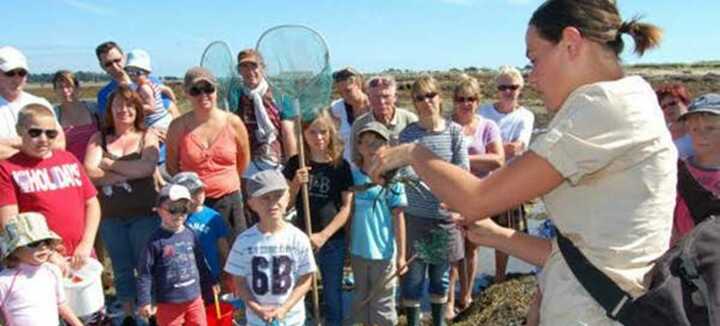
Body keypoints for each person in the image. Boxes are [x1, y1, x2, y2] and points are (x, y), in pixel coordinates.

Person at [368, 1, 675, 324]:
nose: (532, 77)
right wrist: (498, 236)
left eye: (534, 59)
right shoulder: (630, 100)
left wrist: (412, 153)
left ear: (571, 43)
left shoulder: (604, 108)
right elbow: (588, 256)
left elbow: (475, 200)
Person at [83, 86, 161, 322]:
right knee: (121, 266)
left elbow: (147, 167)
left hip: (144, 214)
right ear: (110, 110)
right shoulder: (99, 138)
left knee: (146, 264)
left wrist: (109, 163)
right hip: (111, 216)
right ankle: (128, 312)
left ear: (137, 110)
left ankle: (151, 309)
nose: (123, 110)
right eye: (118, 105)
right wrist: (126, 174)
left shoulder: (148, 135)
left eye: (129, 105)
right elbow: (88, 171)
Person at [397, 75, 469, 326]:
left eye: (431, 95)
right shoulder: (407, 136)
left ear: (439, 98)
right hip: (415, 218)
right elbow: (405, 173)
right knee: (413, 280)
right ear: (414, 103)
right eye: (420, 97)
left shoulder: (454, 132)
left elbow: (461, 172)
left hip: (444, 220)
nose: (427, 101)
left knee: (440, 280)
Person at [0, 103, 100, 272]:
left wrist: (86, 244)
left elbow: (92, 204)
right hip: (37, 262)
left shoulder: (68, 159)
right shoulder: (7, 168)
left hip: (80, 255)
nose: (43, 139)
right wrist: (49, 254)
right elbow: (10, 223)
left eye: (50, 133)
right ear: (19, 130)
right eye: (35, 132)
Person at [282, 109, 353, 326]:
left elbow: (346, 208)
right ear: (303, 134)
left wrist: (324, 235)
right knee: (299, 291)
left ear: (331, 132)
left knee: (332, 293)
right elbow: (286, 204)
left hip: (332, 241)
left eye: (323, 132)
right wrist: (294, 185)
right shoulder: (296, 163)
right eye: (312, 132)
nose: (319, 138)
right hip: (302, 239)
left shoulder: (340, 166)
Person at [224, 169, 317, 326]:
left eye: (278, 196)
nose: (273, 203)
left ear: (287, 197)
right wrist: (256, 308)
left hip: (292, 320)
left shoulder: (298, 238)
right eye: (265, 198)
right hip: (257, 320)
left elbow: (306, 278)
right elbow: (239, 281)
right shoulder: (243, 241)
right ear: (251, 203)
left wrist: (285, 308)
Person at [166, 67, 251, 235]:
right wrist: (192, 192)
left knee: (234, 253)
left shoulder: (234, 122)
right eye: (196, 90)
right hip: (193, 204)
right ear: (187, 93)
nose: (203, 95)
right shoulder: (177, 127)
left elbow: (243, 161)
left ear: (216, 90)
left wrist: (226, 181)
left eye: (208, 88)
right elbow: (172, 166)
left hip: (230, 200)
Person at [448, 75, 505, 318]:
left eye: (470, 99)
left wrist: (464, 159)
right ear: (454, 101)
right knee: (452, 250)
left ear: (478, 101)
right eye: (461, 99)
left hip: (479, 195)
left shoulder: (488, 126)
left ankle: (466, 295)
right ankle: (449, 301)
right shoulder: (447, 126)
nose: (466, 104)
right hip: (451, 195)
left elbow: (498, 159)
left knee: (472, 247)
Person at [477, 65, 534, 283]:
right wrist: (499, 151)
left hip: (510, 182)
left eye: (513, 87)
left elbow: (519, 148)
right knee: (472, 234)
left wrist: (492, 149)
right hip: (480, 180)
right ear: (497, 89)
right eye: (503, 87)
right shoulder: (483, 112)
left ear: (520, 88)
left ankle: (499, 277)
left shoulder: (525, 116)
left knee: (505, 234)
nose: (508, 92)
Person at [347, 122, 407, 326]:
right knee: (361, 301)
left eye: (377, 143)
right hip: (357, 251)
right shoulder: (352, 176)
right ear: (359, 147)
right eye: (367, 143)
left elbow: (399, 218)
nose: (372, 148)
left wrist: (401, 256)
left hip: (383, 253)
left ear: (386, 147)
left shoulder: (393, 180)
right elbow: (348, 213)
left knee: (382, 306)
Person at [136, 184, 219, 326]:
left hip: (194, 297)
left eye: (184, 209)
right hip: (169, 301)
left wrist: (210, 282)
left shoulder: (190, 234)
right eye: (173, 209)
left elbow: (200, 262)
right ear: (159, 210)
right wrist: (145, 300)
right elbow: (145, 273)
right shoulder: (155, 241)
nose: (179, 214)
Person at [0, 212, 82, 326]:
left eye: (47, 242)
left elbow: (60, 304)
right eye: (34, 243)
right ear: (15, 250)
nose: (43, 247)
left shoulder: (52, 271)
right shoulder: (5, 281)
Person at [228, 49, 298, 175]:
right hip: (248, 167)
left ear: (263, 68)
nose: (249, 71)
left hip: (278, 165)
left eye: (254, 66)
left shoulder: (280, 96)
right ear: (239, 71)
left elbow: (288, 134)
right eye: (244, 67)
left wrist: (292, 169)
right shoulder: (235, 98)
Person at [170, 172, 232, 296]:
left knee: (211, 304)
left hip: (211, 274)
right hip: (183, 275)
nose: (198, 196)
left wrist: (227, 269)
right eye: (192, 193)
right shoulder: (174, 219)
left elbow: (223, 245)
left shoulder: (213, 217)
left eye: (200, 190)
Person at [0, 46, 65, 160]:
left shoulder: (40, 103)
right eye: (10, 73)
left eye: (22, 73)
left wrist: (11, 143)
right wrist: (34, 146)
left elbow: (59, 145)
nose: (16, 78)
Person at [671, 93, 720, 244]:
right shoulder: (676, 171)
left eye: (710, 128)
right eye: (695, 128)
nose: (701, 135)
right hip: (683, 257)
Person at [95, 41, 179, 121]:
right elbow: (107, 124)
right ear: (102, 66)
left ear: (124, 57)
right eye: (108, 64)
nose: (115, 66)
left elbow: (171, 107)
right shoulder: (104, 95)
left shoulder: (148, 80)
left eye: (117, 60)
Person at [349, 75, 417, 166]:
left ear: (395, 97)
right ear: (369, 98)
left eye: (386, 96)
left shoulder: (409, 120)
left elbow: (419, 154)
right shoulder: (360, 124)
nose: (381, 101)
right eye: (376, 97)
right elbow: (356, 159)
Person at [52, 70, 99, 162]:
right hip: (70, 167)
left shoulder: (94, 109)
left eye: (69, 86)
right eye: (60, 87)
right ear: (55, 91)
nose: (65, 91)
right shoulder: (54, 115)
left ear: (77, 88)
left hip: (96, 165)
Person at [124, 49, 175, 131]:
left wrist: (135, 105)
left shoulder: (145, 88)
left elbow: (152, 108)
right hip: (158, 119)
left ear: (147, 73)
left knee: (148, 139)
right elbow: (166, 89)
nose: (133, 76)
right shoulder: (152, 84)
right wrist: (173, 99)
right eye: (129, 72)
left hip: (158, 122)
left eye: (137, 73)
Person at [330, 67, 369, 164]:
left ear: (358, 85)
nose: (344, 96)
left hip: (374, 166)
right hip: (349, 167)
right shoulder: (337, 107)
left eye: (348, 91)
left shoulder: (375, 105)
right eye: (340, 93)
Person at [656, 83, 694, 159]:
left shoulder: (699, 128)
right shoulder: (660, 132)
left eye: (672, 103)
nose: (668, 108)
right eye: (664, 107)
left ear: (684, 102)